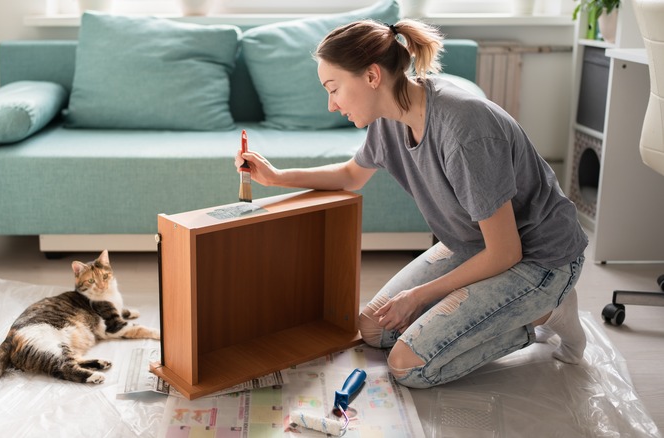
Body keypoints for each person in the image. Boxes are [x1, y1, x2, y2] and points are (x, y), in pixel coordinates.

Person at [235, 19, 589, 388]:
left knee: (409, 367)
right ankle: (502, 309)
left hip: (540, 258)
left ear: (372, 76)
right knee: (374, 329)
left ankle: (547, 311)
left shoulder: (464, 129)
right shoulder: (390, 117)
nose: (331, 105)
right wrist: (276, 177)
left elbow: (505, 252)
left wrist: (418, 296)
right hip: (473, 245)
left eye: (334, 89)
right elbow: (350, 175)